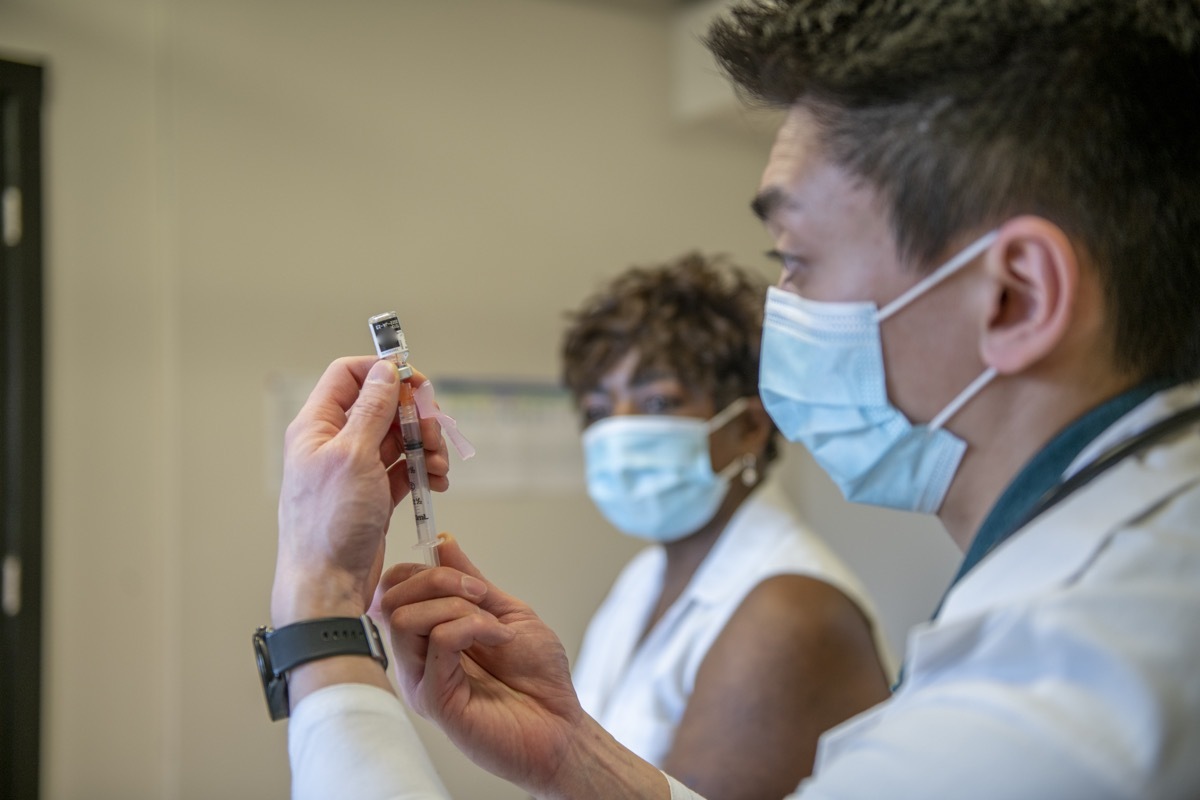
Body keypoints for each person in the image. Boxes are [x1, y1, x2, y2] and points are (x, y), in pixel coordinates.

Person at [262, 1, 1200, 798]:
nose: (779, 313)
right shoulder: (1133, 560)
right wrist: (581, 757)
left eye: (795, 259)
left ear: (1016, 296)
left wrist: (324, 616)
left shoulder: (1046, 707)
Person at [562, 254, 891, 797]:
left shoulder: (789, 610)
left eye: (658, 401)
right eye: (598, 410)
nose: (618, 433)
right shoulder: (642, 580)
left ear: (748, 429)